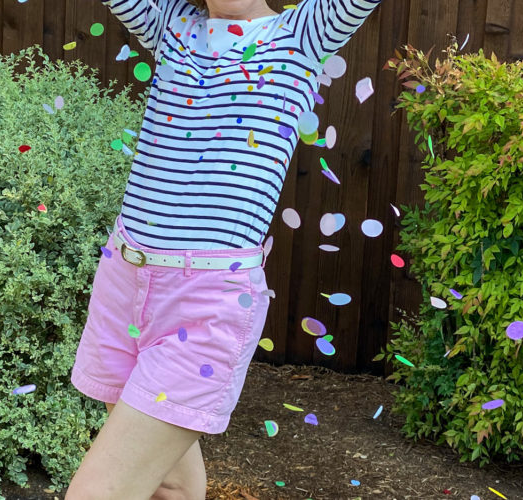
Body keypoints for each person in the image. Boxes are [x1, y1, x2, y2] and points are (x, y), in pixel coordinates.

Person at [66, 0, 381, 498]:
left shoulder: (303, 32)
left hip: (207, 300)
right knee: (169, 484)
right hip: (123, 281)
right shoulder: (170, 24)